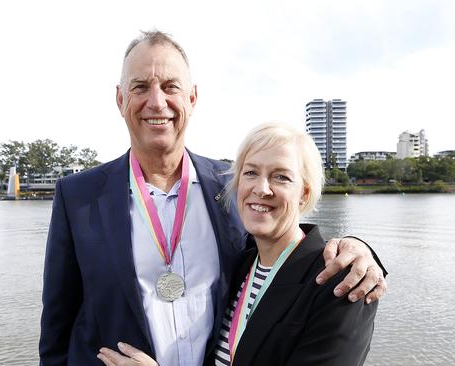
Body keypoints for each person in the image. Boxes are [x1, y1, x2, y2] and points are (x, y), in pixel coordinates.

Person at [40, 31, 387, 366]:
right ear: (120, 99)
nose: (157, 101)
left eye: (171, 87)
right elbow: (57, 329)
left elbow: (283, 241)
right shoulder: (78, 197)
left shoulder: (231, 186)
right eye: (140, 86)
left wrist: (358, 246)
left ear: (192, 98)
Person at [97, 123, 378, 366]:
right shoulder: (239, 265)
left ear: (304, 194)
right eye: (251, 173)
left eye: (281, 176)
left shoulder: (341, 283)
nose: (261, 188)